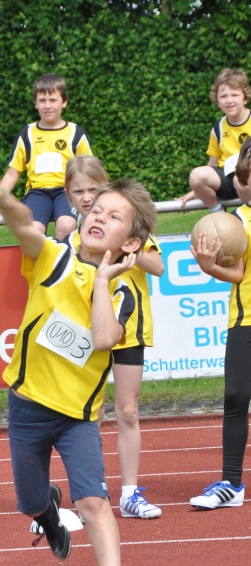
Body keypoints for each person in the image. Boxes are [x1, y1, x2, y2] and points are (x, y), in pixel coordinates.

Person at [0, 165, 157, 566]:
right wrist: (4, 199)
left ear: (132, 244)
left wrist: (100, 281)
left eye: (114, 217)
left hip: (77, 420)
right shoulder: (53, 259)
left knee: (95, 502)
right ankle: (47, 513)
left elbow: (100, 339)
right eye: (96, 209)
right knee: (29, 504)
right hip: (28, 407)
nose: (98, 217)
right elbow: (20, 224)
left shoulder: (123, 295)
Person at [64, 155, 164, 519]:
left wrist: (129, 250)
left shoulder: (131, 233)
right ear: (69, 195)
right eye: (80, 192)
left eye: (94, 190)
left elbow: (159, 267)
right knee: (85, 410)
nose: (88, 199)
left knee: (128, 410)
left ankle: (130, 493)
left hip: (129, 328)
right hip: (85, 329)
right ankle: (90, 490)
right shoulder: (75, 236)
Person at [189, 136, 251, 509]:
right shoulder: (238, 220)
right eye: (247, 177)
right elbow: (239, 272)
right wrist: (209, 265)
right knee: (235, 397)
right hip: (244, 318)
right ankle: (232, 484)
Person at [0, 74, 92, 240]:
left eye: (53, 100)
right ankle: (42, 264)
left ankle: (65, 264)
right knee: (34, 230)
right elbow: (13, 173)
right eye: (42, 100)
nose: (47, 105)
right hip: (37, 192)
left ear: (64, 102)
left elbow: (89, 170)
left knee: (66, 226)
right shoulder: (26, 134)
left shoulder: (75, 133)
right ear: (35, 103)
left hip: (67, 192)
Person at [179, 68, 251, 212]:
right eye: (223, 96)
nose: (229, 100)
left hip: (247, 177)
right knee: (196, 176)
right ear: (217, 101)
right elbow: (212, 164)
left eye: (234, 95)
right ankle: (218, 211)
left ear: (245, 98)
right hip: (228, 177)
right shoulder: (218, 127)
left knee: (241, 180)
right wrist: (196, 191)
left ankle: (246, 216)